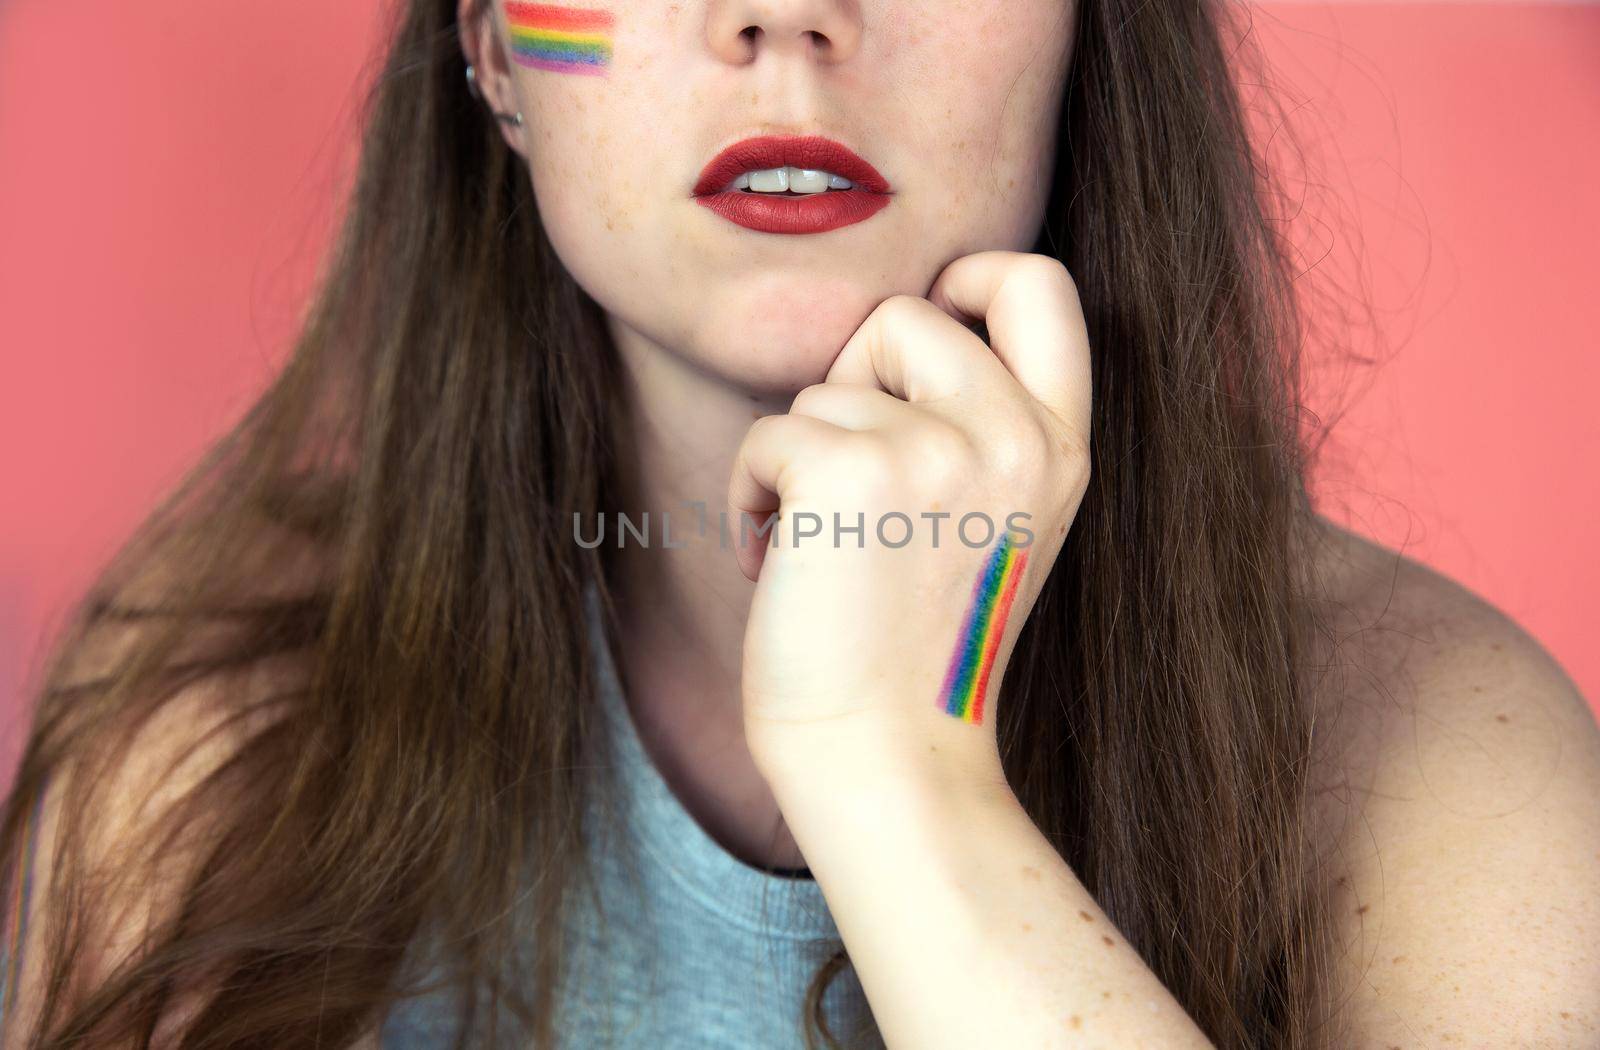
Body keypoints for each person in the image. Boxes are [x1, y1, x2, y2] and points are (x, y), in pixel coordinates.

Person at [2, 0, 1596, 1046]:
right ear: (492, 47)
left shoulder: (1447, 775)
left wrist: (898, 770)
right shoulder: (207, 738)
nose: (783, 16)